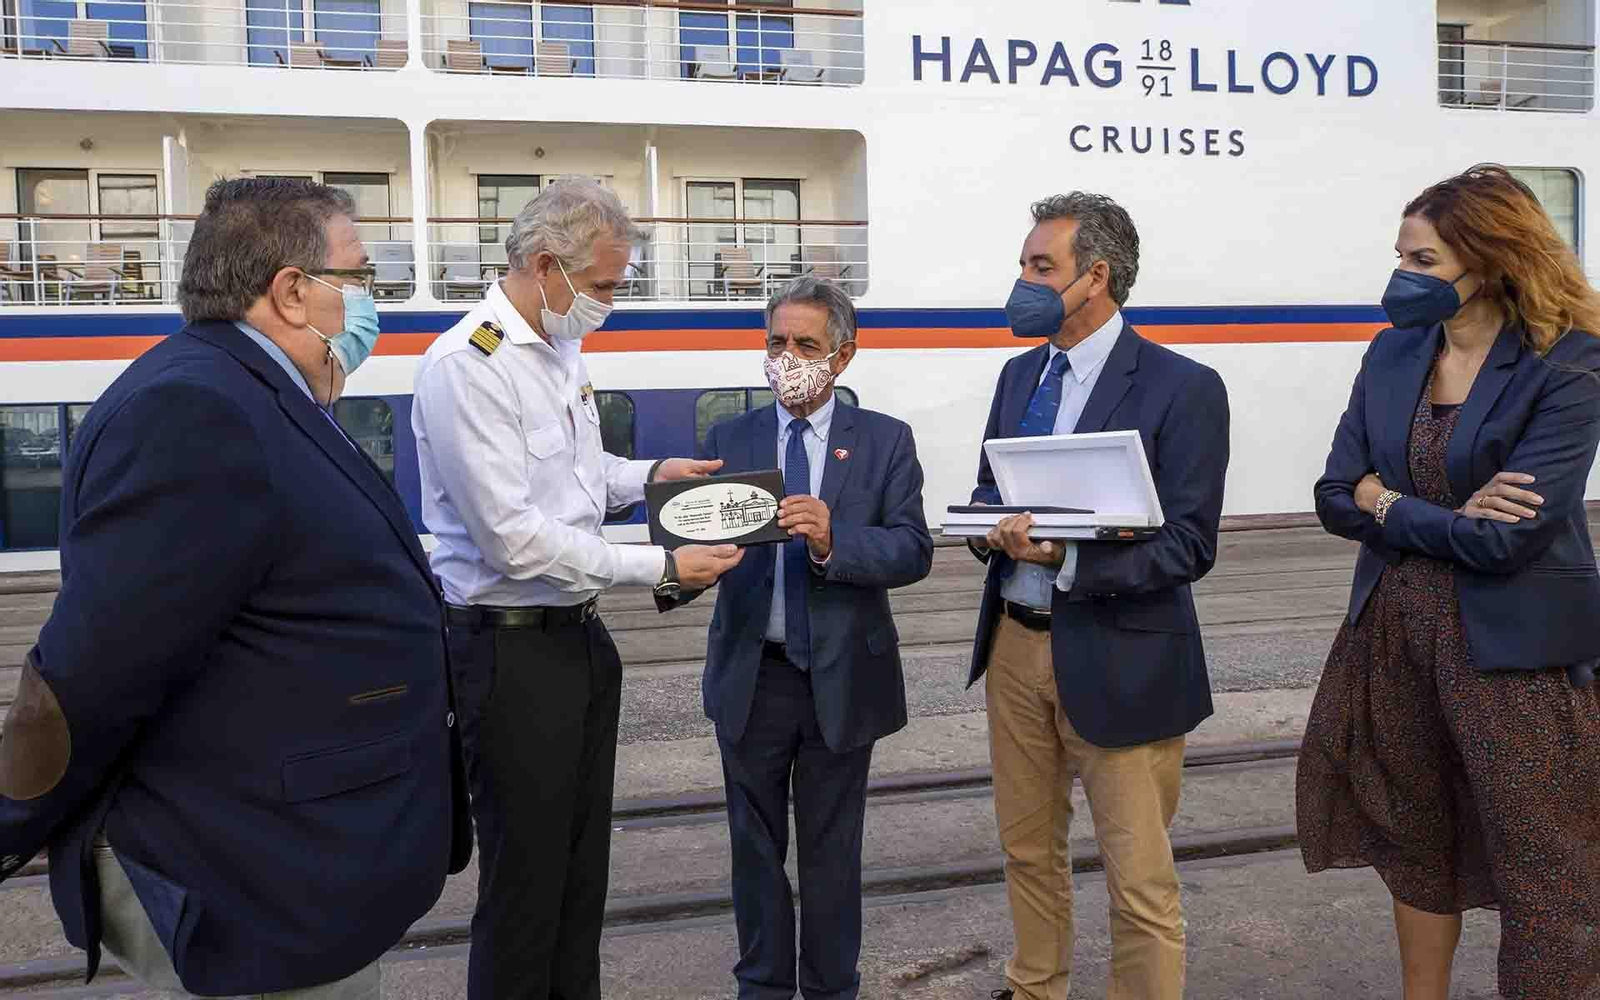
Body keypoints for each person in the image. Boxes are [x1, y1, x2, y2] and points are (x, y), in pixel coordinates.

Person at [0, 177, 471, 998]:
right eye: (359, 279)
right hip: (248, 884)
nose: (370, 304)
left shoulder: (251, 390)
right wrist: (14, 824)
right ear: (292, 291)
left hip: (295, 857)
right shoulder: (196, 409)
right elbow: (97, 667)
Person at [412, 179, 745, 1000]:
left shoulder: (558, 347)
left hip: (576, 641)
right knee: (526, 886)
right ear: (543, 265)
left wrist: (651, 475)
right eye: (600, 285)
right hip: (507, 646)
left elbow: (578, 476)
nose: (608, 302)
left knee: (578, 877)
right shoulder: (470, 365)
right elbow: (512, 536)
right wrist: (661, 567)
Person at [1298, 164, 1600, 1000]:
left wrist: (1385, 499)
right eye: (1401, 256)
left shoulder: (1568, 363)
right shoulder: (1396, 351)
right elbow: (1331, 494)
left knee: (1546, 860)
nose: (1403, 277)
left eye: (1424, 261)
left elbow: (1509, 541)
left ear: (1492, 259)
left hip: (1516, 653)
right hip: (1394, 632)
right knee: (1413, 840)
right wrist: (1447, 517)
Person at [966, 193, 1230, 1000]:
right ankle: (1035, 986)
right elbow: (989, 488)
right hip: (1015, 644)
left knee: (1138, 877)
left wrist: (1068, 558)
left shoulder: (1183, 387)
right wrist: (986, 530)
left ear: (1097, 278)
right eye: (1023, 264)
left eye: (1041, 267)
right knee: (1026, 851)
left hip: (1123, 654)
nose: (1024, 281)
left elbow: (1189, 544)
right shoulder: (1019, 377)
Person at [675, 275, 932, 1000]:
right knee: (753, 850)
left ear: (842, 357)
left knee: (830, 852)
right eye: (777, 342)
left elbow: (913, 550)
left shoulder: (884, 441)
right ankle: (761, 987)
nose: (788, 356)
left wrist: (832, 541)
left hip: (843, 678)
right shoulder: (731, 438)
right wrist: (679, 572)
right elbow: (692, 544)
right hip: (752, 675)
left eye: (806, 345)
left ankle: (829, 989)